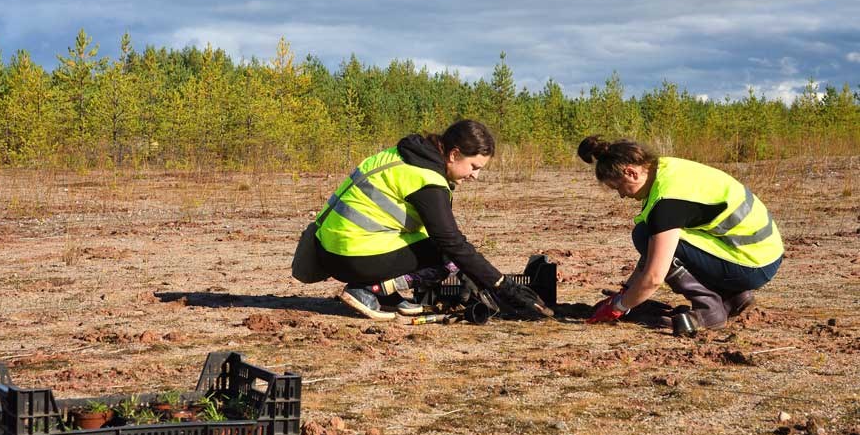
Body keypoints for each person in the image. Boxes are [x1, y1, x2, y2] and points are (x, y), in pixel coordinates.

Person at [313, 119, 552, 321]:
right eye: (474, 166)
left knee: (443, 248)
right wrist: (503, 286)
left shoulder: (409, 156)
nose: (475, 176)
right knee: (446, 258)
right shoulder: (427, 179)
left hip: (328, 248)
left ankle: (384, 293)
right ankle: (367, 289)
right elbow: (451, 243)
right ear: (454, 154)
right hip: (350, 255)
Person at [577, 136, 783, 336]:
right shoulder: (665, 168)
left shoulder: (666, 201)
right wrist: (626, 291)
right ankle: (733, 296)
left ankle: (710, 310)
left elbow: (654, 277)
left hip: (752, 264)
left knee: (647, 236)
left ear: (631, 173)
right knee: (648, 235)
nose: (622, 195)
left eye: (619, 187)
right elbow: (653, 251)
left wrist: (619, 307)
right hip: (760, 253)